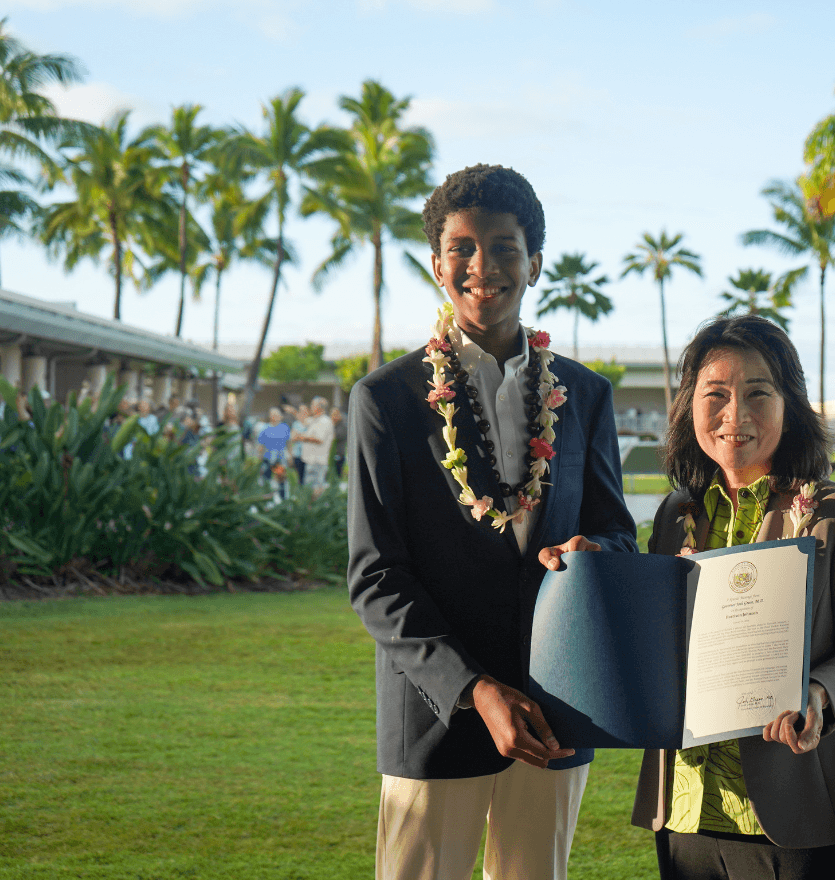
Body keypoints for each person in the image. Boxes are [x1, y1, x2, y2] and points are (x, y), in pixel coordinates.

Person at [347, 163, 636, 880]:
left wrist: (593, 550)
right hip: (435, 715)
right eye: (464, 248)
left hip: (558, 707)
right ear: (437, 265)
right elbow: (375, 576)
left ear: (534, 263)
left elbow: (619, 534)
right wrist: (473, 689)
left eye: (505, 247)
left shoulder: (587, 395)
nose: (484, 266)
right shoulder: (385, 399)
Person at [631, 315, 835, 880]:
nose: (737, 415)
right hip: (687, 811)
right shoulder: (673, 515)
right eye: (717, 394)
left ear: (790, 405)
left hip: (796, 808)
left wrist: (820, 696)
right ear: (690, 406)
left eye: (759, 393)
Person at [256, 407, 291, 501]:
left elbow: (289, 443)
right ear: (270, 416)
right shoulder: (265, 428)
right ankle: (267, 500)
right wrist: (258, 459)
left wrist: (290, 456)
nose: (275, 417)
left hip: (280, 458)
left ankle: (283, 499)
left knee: (281, 479)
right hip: (267, 457)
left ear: (280, 416)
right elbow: (260, 445)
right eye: (273, 415)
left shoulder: (284, 427)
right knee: (266, 479)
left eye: (277, 415)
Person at [329, 405, 347, 480]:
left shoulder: (343, 425)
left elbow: (335, 437)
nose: (333, 417)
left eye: (335, 415)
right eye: (332, 415)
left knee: (337, 477)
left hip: (339, 454)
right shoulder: (330, 425)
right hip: (329, 456)